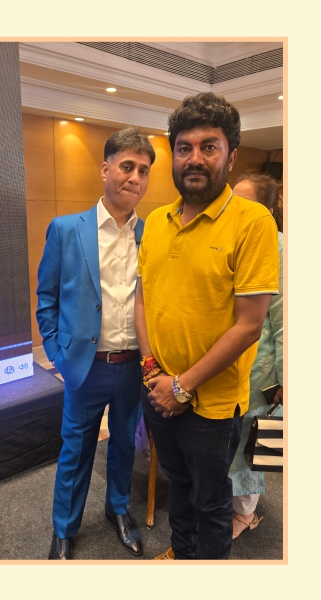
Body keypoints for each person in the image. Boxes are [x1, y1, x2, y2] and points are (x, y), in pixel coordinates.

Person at [137, 92, 279, 560]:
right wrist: (153, 371)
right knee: (178, 485)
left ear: (231, 156)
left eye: (209, 146)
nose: (194, 158)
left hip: (211, 404)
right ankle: (181, 555)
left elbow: (250, 326)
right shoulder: (156, 221)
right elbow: (143, 298)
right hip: (158, 388)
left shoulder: (252, 221)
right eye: (184, 147)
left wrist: (181, 387)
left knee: (212, 500)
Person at [34, 128, 153, 559]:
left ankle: (118, 509)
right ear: (105, 169)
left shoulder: (153, 235)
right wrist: (58, 354)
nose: (135, 178)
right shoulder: (67, 229)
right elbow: (47, 298)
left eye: (143, 171)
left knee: (123, 446)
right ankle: (64, 528)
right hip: (86, 366)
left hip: (134, 365)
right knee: (76, 450)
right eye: (127, 167)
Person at [225, 172, 282, 540]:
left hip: (265, 370)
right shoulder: (237, 242)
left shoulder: (281, 249)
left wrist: (285, 380)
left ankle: (245, 513)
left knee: (256, 441)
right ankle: (233, 502)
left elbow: (287, 322)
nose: (236, 210)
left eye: (244, 205)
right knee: (233, 442)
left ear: (267, 211)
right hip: (233, 363)